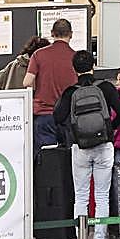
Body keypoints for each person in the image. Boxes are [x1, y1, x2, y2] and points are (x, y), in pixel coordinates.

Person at [53, 50, 120, 239]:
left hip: (81, 148)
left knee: (81, 196)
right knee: (102, 196)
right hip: (104, 146)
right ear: (93, 65)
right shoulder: (105, 87)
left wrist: (74, 131)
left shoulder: (71, 92)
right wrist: (108, 129)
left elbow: (58, 117)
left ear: (74, 69)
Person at [23, 18, 77, 148]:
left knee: (45, 157)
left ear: (52, 33)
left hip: (44, 114)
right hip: (68, 116)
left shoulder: (39, 55)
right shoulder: (76, 57)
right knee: (66, 157)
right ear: (71, 34)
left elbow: (27, 82)